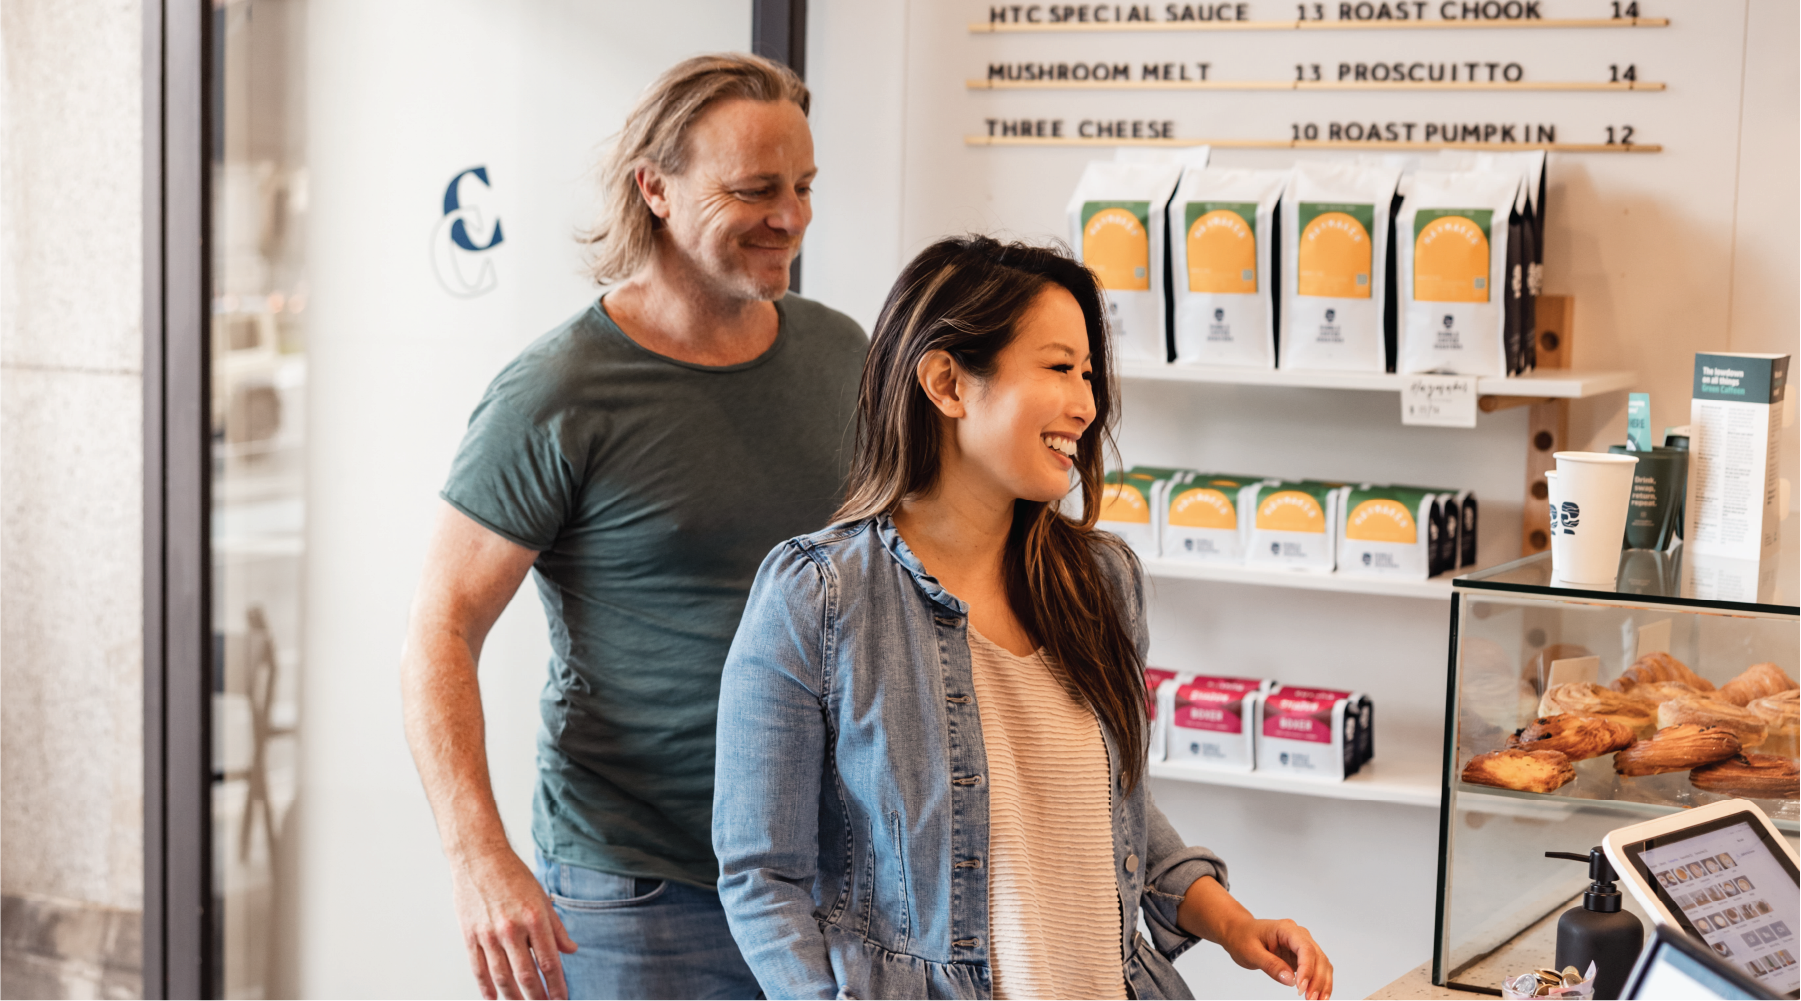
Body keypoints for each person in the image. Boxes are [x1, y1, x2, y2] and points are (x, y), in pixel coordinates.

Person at [712, 236, 1333, 1001]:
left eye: (1089, 374)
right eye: (1059, 368)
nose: (1086, 403)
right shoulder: (817, 596)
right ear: (946, 382)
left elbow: (1112, 808)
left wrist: (1233, 924)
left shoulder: (1099, 580)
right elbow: (761, 876)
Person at [399, 53, 867, 1001]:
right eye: (754, 189)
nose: (792, 216)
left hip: (826, 879)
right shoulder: (560, 391)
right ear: (654, 186)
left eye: (804, 185)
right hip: (642, 890)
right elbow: (439, 629)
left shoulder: (841, 352)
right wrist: (477, 856)